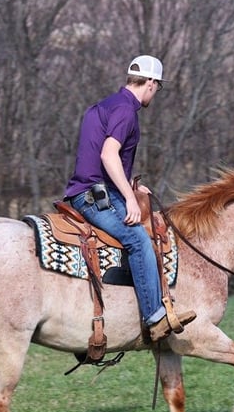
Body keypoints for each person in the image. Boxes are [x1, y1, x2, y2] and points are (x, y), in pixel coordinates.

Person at [64, 55, 196, 341]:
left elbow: (97, 156)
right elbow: (108, 154)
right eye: (157, 87)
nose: (156, 92)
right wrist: (130, 198)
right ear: (150, 82)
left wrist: (132, 185)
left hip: (87, 189)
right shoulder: (127, 111)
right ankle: (155, 317)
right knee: (138, 240)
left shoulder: (106, 105)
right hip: (93, 196)